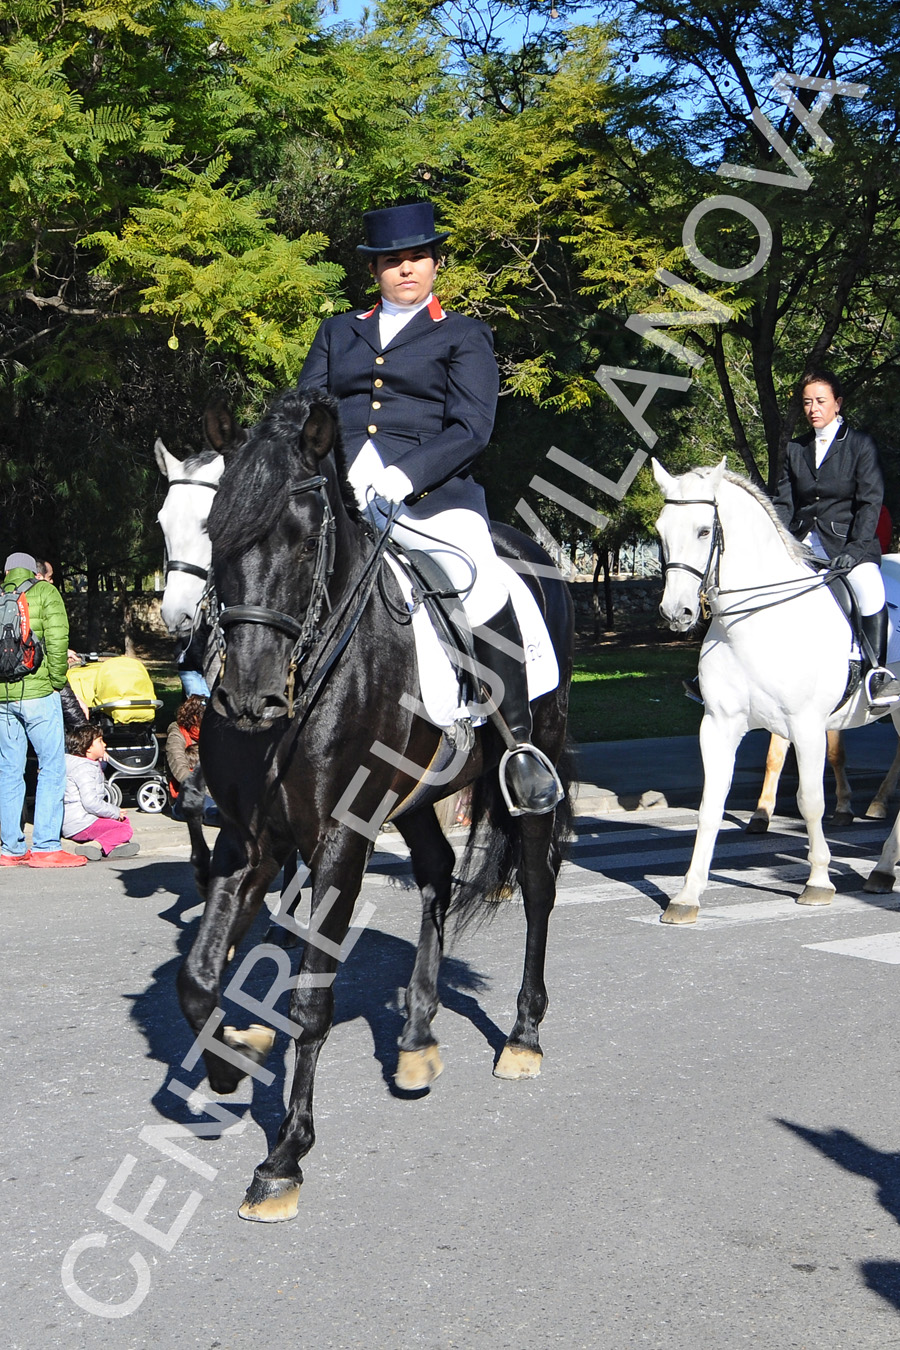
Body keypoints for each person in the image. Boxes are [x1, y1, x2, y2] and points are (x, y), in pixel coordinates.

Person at [298, 200, 561, 813]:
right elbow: (306, 409)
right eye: (394, 260)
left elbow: (472, 427)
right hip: (343, 489)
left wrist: (402, 475)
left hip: (433, 496)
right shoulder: (339, 331)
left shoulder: (464, 334)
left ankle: (518, 744)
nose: (406, 269)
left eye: (417, 258)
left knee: (479, 579)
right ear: (376, 271)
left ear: (435, 264)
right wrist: (326, 465)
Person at [772, 369, 898, 704]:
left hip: (848, 543)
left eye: (820, 401)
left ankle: (877, 675)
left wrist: (856, 550)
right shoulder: (795, 449)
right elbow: (784, 504)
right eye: (807, 402)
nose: (813, 408)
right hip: (802, 543)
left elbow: (870, 503)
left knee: (869, 590)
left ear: (837, 404)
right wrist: (779, 544)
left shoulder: (860, 445)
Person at [0, 552, 86, 866]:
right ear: (34, 571)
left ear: (6, 571)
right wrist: (55, 681)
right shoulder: (45, 593)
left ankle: (9, 848)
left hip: (3, 699)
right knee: (51, 767)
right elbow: (58, 639)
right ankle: (46, 846)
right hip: (39, 694)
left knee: (9, 770)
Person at [62, 723, 139, 860]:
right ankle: (95, 845)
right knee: (125, 829)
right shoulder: (84, 769)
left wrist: (101, 758)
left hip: (80, 820)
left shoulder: (83, 764)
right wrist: (114, 811)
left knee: (123, 821)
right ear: (88, 748)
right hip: (81, 823)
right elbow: (90, 802)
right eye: (99, 741)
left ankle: (113, 848)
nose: (104, 744)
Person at [166, 694, 219, 824]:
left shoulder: (214, 733)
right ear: (195, 717)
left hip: (215, 791)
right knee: (207, 808)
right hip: (186, 793)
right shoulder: (177, 732)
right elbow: (179, 769)